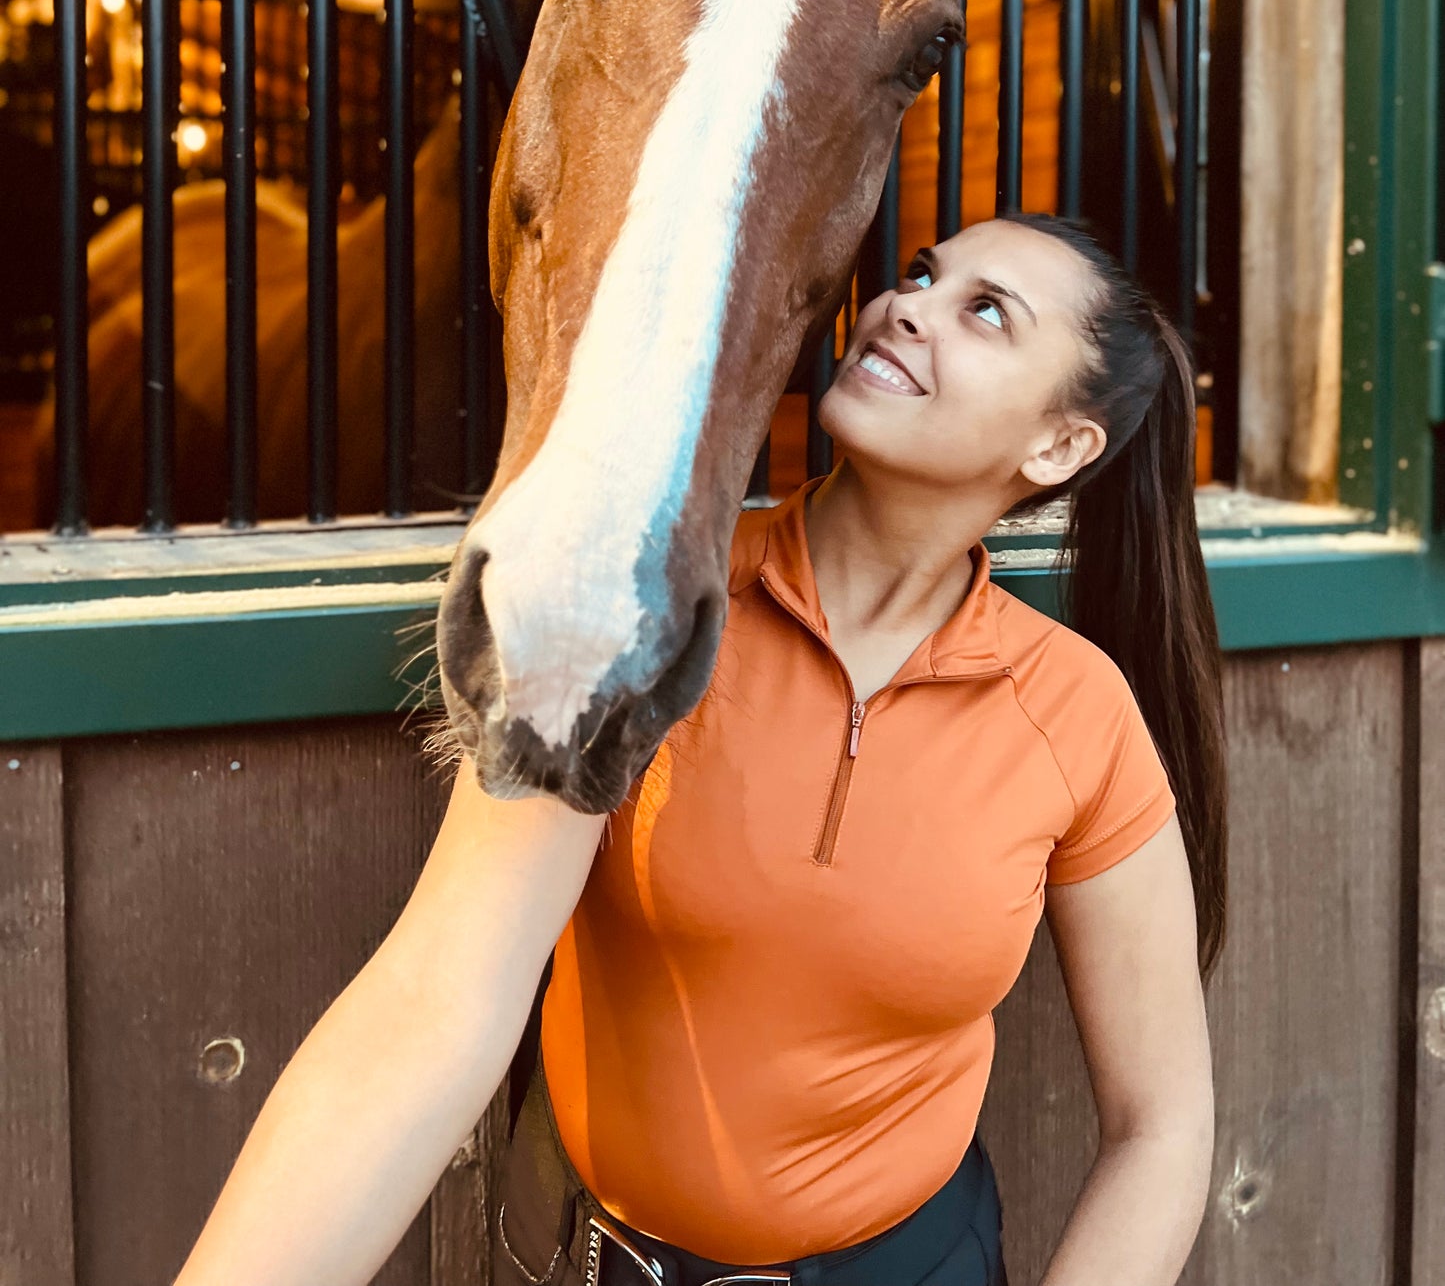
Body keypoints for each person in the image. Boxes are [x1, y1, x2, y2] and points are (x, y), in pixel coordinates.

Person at [174, 213, 1225, 1286]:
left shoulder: (1077, 714)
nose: (905, 305)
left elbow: (1162, 1124)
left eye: (983, 312)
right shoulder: (640, 613)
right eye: (919, 272)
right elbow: (432, 1001)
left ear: (1056, 446)